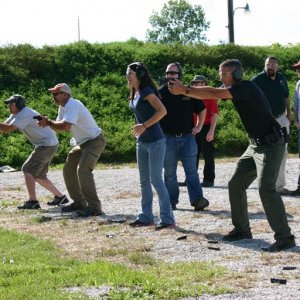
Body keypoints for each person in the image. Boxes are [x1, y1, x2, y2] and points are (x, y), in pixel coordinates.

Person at [168, 59, 295, 252]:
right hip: (255, 145)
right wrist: (186, 91)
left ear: (236, 74)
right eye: (220, 74)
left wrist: (184, 89)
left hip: (271, 144)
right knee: (235, 183)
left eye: (224, 74)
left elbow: (213, 93)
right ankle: (242, 229)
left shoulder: (246, 87)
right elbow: (212, 92)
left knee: (266, 188)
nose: (221, 77)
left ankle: (285, 237)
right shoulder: (235, 88)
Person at [38, 83, 106, 217]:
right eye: (53, 94)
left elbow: (65, 126)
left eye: (56, 94)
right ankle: (79, 203)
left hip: (94, 141)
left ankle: (95, 208)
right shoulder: (63, 107)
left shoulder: (72, 104)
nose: (53, 96)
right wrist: (47, 122)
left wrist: (49, 122)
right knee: (68, 169)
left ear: (65, 94)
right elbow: (59, 126)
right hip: (82, 143)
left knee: (83, 171)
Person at [126, 62, 175, 230]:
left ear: (139, 75)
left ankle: (167, 219)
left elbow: (162, 111)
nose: (127, 76)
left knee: (156, 180)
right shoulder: (134, 91)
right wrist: (139, 128)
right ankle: (146, 216)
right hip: (142, 142)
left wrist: (144, 126)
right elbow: (138, 113)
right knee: (144, 181)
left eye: (130, 73)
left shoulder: (146, 91)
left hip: (156, 141)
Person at [0, 94, 68, 209]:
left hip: (46, 144)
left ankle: (33, 202)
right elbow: (4, 128)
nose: (8, 106)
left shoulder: (25, 114)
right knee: (39, 175)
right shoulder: (16, 114)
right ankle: (60, 197)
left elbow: (9, 129)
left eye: (11, 103)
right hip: (48, 144)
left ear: (18, 105)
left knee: (28, 169)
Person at [159, 62, 209, 211]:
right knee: (169, 173)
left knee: (192, 171)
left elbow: (202, 109)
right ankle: (171, 201)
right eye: (168, 73)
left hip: (188, 138)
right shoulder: (160, 92)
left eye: (173, 73)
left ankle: (197, 200)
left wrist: (199, 126)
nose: (170, 76)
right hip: (167, 139)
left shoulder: (188, 91)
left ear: (180, 75)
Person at [251, 57, 291, 195]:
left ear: (277, 66)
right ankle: (266, 185)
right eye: (268, 64)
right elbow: (249, 98)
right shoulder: (257, 80)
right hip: (265, 122)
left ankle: (279, 187)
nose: (271, 66)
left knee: (282, 152)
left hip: (281, 119)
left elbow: (286, 97)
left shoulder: (281, 78)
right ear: (264, 65)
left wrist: (288, 116)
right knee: (264, 153)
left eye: (273, 64)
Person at [180, 75, 219, 187]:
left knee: (208, 154)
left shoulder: (210, 96)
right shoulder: (189, 96)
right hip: (193, 127)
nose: (199, 85)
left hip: (206, 127)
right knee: (192, 154)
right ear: (193, 85)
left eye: (202, 83)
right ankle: (190, 179)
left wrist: (211, 131)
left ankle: (209, 179)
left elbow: (214, 114)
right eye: (196, 83)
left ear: (205, 84)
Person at [290, 60, 300, 196]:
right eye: (298, 69)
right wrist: (296, 120)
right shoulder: (299, 84)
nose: (298, 71)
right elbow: (296, 103)